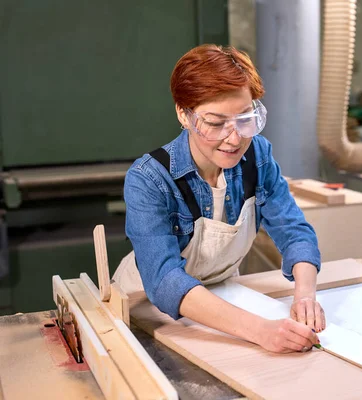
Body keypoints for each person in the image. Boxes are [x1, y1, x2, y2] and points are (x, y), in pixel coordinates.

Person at [112, 44, 325, 353]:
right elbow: (164, 281)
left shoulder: (258, 156)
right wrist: (261, 331)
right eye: (215, 123)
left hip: (223, 304)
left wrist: (305, 296)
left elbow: (294, 231)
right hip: (149, 313)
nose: (234, 138)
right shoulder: (149, 178)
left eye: (244, 119)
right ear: (183, 114)